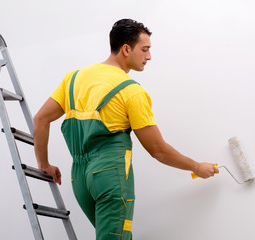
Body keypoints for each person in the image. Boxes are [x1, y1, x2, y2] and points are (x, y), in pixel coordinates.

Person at [33, 18, 219, 240]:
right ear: (126, 49)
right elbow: (158, 150)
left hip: (80, 179)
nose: (149, 56)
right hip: (110, 177)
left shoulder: (73, 79)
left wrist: (43, 164)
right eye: (145, 49)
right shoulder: (132, 91)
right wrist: (196, 166)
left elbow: (40, 120)